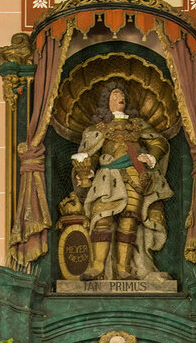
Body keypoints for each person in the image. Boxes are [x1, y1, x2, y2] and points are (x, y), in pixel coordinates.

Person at [72, 80, 173, 281]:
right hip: (107, 178)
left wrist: (150, 156)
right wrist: (86, 169)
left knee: (129, 222)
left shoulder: (137, 125)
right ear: (106, 101)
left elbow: (158, 141)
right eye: (115, 95)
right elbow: (89, 153)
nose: (120, 98)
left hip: (135, 177)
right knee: (102, 220)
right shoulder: (97, 128)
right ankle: (97, 267)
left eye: (122, 95)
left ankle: (124, 269)